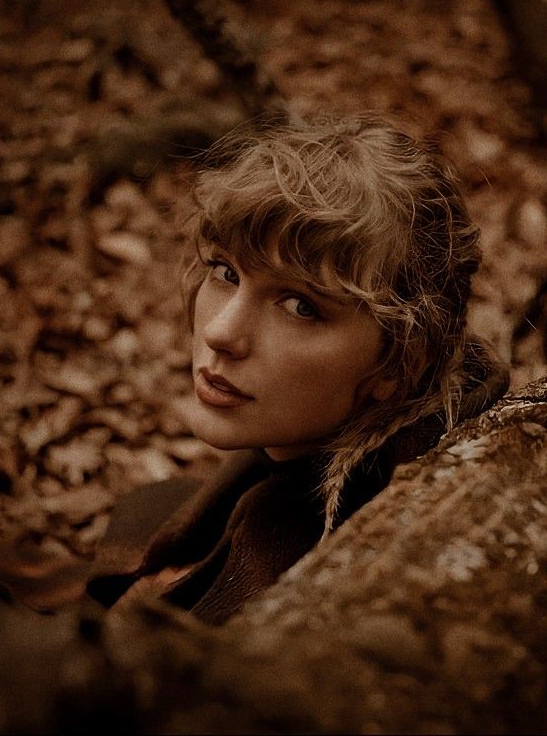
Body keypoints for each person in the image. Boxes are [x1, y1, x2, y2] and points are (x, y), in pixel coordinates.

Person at [86, 113, 509, 626]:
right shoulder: (235, 492)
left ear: (401, 361)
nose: (221, 333)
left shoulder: (352, 585)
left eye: (300, 306)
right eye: (226, 272)